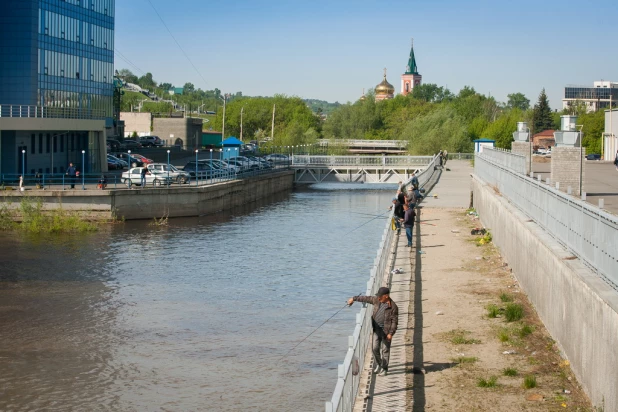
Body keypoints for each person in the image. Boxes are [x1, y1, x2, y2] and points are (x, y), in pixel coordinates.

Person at [347, 287, 398, 376]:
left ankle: (385, 369)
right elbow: (366, 298)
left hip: (386, 332)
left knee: (385, 350)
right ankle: (379, 364)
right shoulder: (376, 300)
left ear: (386, 296)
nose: (378, 298)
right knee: (375, 348)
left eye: (380, 296)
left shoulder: (393, 307)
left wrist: (391, 333)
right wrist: (354, 299)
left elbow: (394, 322)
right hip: (376, 329)